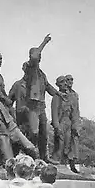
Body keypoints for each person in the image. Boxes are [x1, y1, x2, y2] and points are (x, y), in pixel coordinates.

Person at [23, 34, 66, 164]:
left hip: (41, 106)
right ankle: (30, 156)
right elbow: (35, 55)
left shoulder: (42, 74)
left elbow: (48, 87)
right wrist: (44, 42)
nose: (39, 56)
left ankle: (43, 157)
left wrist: (59, 94)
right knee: (34, 132)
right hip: (33, 106)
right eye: (37, 55)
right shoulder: (30, 69)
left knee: (43, 134)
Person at [51, 76, 80, 173]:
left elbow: (74, 111)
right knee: (60, 144)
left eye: (65, 82)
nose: (65, 84)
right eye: (62, 82)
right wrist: (56, 126)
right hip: (61, 122)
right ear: (58, 84)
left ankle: (65, 165)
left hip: (68, 122)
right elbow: (54, 112)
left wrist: (75, 124)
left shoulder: (71, 96)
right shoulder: (57, 97)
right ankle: (56, 164)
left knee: (67, 145)